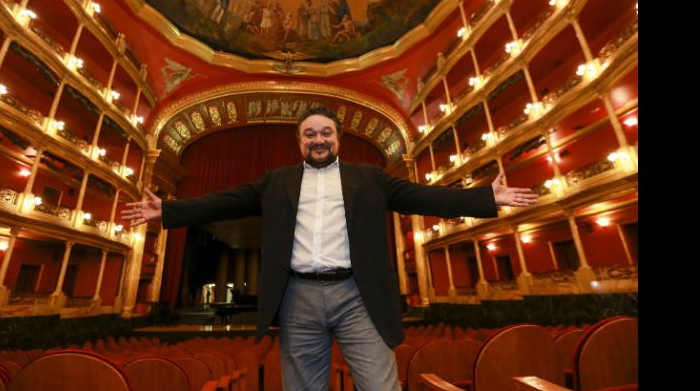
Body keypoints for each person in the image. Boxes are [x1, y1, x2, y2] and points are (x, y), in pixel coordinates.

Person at [122, 106, 538, 391]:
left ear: (338, 139)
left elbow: (424, 196)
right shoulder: (276, 180)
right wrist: (169, 211)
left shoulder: (370, 177)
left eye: (325, 133)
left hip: (358, 296)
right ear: (298, 141)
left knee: (380, 385)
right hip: (298, 298)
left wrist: (486, 197)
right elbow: (223, 200)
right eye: (310, 134)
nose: (318, 139)